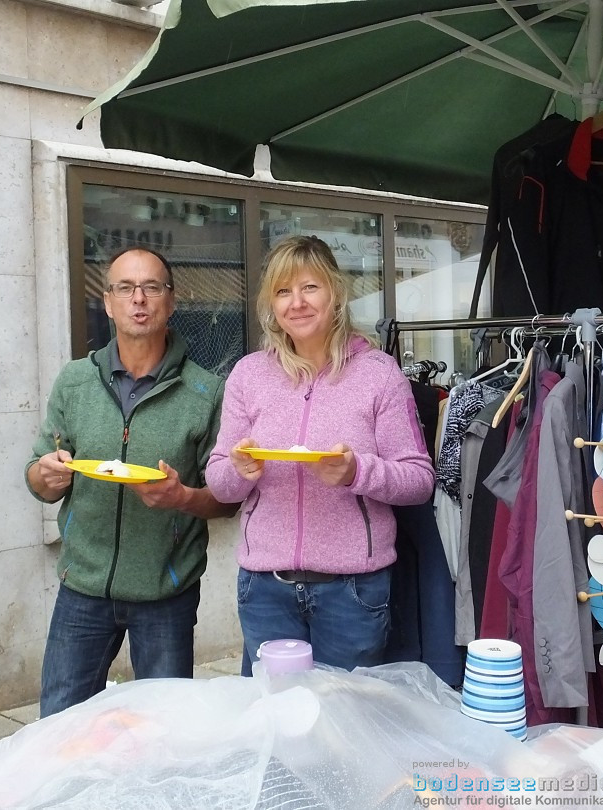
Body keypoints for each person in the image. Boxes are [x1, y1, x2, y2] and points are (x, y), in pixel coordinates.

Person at [205, 235, 435, 673]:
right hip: (264, 589)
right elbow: (219, 481)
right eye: (282, 291)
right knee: (278, 721)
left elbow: (419, 481)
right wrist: (240, 470)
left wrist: (357, 471)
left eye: (310, 287)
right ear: (270, 304)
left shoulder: (379, 375)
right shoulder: (248, 375)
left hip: (353, 590)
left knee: (344, 724)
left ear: (335, 293)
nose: (297, 303)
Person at [26, 246, 236, 717]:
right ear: (107, 302)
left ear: (172, 300)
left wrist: (182, 497)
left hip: (167, 591)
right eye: (125, 288)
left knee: (165, 731)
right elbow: (38, 476)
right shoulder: (74, 382)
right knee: (58, 725)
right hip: (82, 587)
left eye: (151, 287)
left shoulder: (205, 393)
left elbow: (225, 501)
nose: (138, 299)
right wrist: (47, 476)